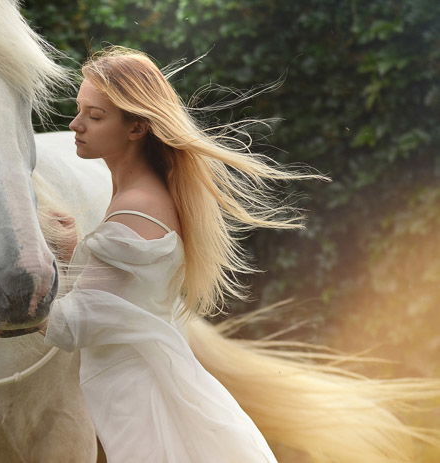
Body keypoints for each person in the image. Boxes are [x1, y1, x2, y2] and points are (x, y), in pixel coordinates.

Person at [39, 46, 439, 462]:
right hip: (141, 390)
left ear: (137, 127)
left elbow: (72, 328)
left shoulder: (135, 205)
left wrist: (12, 311)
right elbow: (125, 299)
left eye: (94, 115)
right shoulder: (144, 195)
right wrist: (73, 255)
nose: (75, 124)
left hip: (141, 402)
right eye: (80, 109)